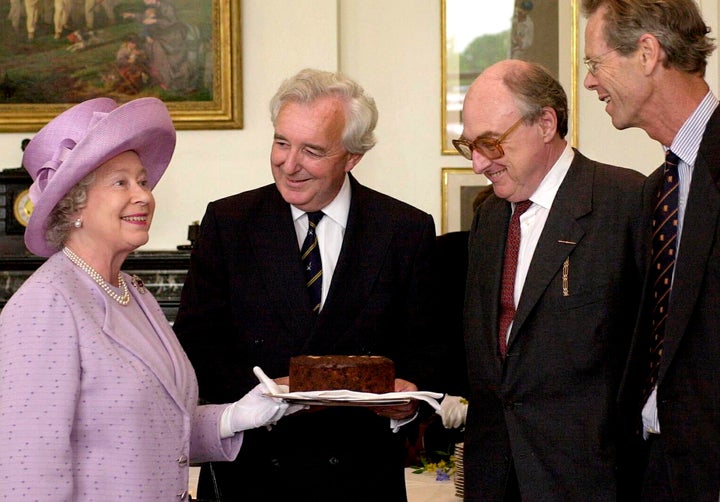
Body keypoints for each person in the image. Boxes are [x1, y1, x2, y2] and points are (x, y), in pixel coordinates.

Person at [0, 97, 296, 500]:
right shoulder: (45, 306)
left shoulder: (135, 294)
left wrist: (235, 416)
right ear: (73, 205)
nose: (144, 195)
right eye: (121, 182)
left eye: (143, 181)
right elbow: (27, 474)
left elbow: (152, 430)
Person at [174, 68, 441, 501]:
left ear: (352, 156)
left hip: (361, 479)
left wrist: (407, 403)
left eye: (312, 151)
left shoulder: (404, 229)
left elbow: (432, 349)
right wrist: (264, 394)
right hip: (252, 476)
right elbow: (194, 349)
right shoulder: (229, 223)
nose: (289, 163)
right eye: (281, 143)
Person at [456, 59, 646, 500]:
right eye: (469, 146)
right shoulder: (488, 217)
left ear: (545, 123)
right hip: (494, 477)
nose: (479, 164)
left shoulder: (624, 203)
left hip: (588, 478)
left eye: (489, 143)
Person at [582, 1, 720, 500]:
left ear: (646, 53)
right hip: (654, 467)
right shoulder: (656, 190)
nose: (590, 83)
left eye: (594, 64)